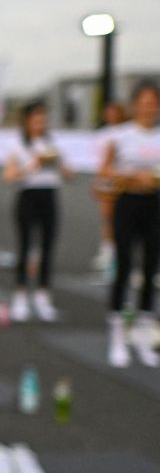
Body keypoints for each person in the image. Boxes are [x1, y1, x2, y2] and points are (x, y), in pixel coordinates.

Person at [98, 81, 160, 368]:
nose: (149, 107)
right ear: (135, 104)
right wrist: (131, 176)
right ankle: (117, 337)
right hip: (127, 202)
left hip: (154, 205)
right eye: (144, 102)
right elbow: (105, 170)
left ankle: (145, 335)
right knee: (123, 266)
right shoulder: (121, 135)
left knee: (150, 268)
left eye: (153, 102)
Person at [3, 102, 73, 323]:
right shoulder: (17, 144)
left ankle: (43, 295)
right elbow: (9, 176)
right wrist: (32, 165)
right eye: (36, 119)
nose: (40, 123)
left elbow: (70, 174)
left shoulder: (53, 143)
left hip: (49, 195)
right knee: (25, 246)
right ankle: (21, 294)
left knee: (47, 246)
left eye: (43, 119)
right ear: (27, 121)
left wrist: (58, 161)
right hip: (28, 196)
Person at [91, 102, 127, 272]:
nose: (111, 115)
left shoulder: (126, 132)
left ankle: (121, 255)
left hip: (125, 180)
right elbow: (101, 162)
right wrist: (99, 181)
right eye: (108, 112)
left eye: (114, 112)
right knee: (108, 218)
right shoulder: (102, 134)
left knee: (125, 219)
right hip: (107, 179)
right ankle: (108, 252)